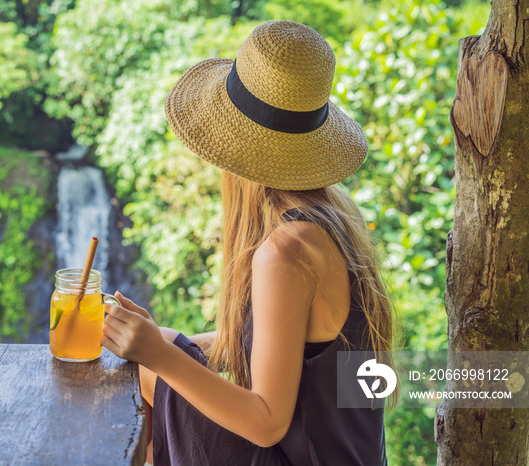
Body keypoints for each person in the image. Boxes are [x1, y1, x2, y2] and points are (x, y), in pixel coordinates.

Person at [101, 20, 399, 466]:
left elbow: (266, 423)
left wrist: (160, 354)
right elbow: (288, 345)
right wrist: (166, 342)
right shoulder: (334, 216)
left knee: (154, 367)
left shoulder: (285, 252)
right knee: (163, 347)